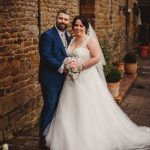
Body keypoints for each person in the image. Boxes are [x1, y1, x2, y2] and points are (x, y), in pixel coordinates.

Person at [44, 15, 150, 150]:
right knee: (70, 108)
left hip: (87, 78)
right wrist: (71, 67)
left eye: (81, 25)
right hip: (71, 80)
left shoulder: (90, 40)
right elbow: (67, 57)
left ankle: (89, 140)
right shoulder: (71, 40)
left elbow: (96, 58)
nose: (78, 28)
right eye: (76, 25)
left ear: (86, 28)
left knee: (87, 108)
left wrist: (79, 67)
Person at [38, 9, 71, 147]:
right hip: (50, 79)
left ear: (68, 21)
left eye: (65, 19)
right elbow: (46, 56)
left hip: (65, 79)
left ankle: (54, 136)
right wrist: (62, 67)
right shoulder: (47, 35)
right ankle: (43, 138)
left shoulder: (69, 36)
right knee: (50, 106)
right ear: (56, 19)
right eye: (61, 18)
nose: (63, 21)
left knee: (59, 108)